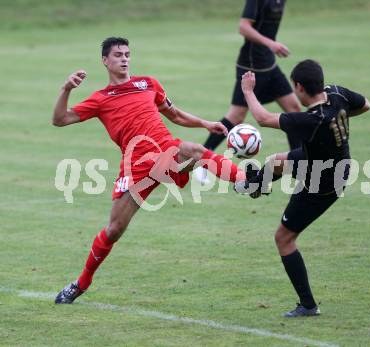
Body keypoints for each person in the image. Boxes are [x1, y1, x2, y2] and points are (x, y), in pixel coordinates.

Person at [52, 37, 246, 304]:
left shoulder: (148, 84)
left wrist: (205, 123)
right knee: (113, 230)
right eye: (118, 54)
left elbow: (175, 115)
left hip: (166, 151)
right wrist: (66, 89)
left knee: (195, 151)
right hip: (136, 166)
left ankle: (246, 180)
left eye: (127, 54)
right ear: (105, 61)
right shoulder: (100, 99)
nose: (124, 58)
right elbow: (60, 120)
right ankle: (80, 284)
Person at [237, 59, 370, 317]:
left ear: (298, 87)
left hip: (323, 182)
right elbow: (366, 104)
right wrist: (339, 120)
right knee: (277, 161)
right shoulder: (337, 94)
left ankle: (308, 305)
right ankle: (256, 185)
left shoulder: (312, 120)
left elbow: (263, 118)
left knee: (284, 239)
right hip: (330, 161)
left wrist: (248, 91)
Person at [194, 0, 301, 185]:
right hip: (250, 66)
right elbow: (243, 27)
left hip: (270, 66)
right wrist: (271, 44)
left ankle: (299, 164)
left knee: (294, 109)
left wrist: (270, 47)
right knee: (236, 116)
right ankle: (203, 160)